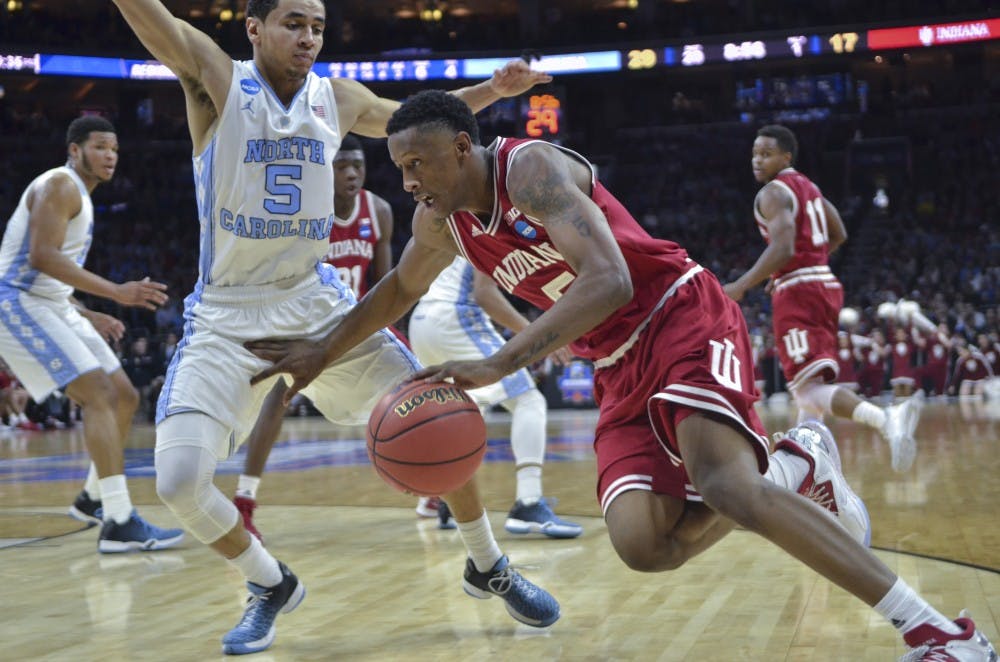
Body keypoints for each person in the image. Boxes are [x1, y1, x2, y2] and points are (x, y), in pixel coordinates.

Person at [245, 90, 995, 661]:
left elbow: (607, 278)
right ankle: (797, 463)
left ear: (464, 149)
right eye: (400, 167)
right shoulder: (440, 220)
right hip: (612, 362)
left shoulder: (530, 169)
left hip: (676, 314)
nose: (408, 181)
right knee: (645, 546)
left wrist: (502, 361)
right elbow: (399, 291)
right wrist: (321, 348)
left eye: (419, 163)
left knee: (729, 484)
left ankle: (934, 629)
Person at [110, 0, 557, 655]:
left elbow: (412, 121)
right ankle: (268, 583)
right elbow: (162, 29)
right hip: (225, 320)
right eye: (294, 23)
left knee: (441, 414)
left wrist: (492, 89)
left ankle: (488, 563)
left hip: (318, 306)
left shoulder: (336, 97)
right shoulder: (218, 81)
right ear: (254, 28)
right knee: (177, 482)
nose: (309, 38)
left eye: (318, 26)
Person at [0, 115, 184, 552]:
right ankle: (119, 522)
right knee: (98, 395)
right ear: (75, 149)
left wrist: (86, 313)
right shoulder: (60, 185)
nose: (110, 156)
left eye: (115, 149)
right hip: (16, 302)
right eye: (100, 146)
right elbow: (41, 258)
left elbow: (51, 278)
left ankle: (93, 497)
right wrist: (116, 293)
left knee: (125, 395)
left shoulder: (79, 195)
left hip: (50, 304)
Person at [723, 125, 923, 472]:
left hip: (800, 291)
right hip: (822, 283)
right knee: (810, 388)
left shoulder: (774, 192)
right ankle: (809, 464)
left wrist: (741, 285)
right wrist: (803, 263)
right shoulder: (810, 188)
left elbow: (783, 247)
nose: (757, 160)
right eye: (755, 153)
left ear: (786, 156)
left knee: (806, 391)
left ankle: (887, 418)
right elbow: (839, 233)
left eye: (766, 154)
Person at [231, 134, 398, 542]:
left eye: (357, 165)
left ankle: (435, 491)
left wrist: (391, 332)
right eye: (342, 165)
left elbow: (387, 284)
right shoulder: (306, 212)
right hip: (305, 322)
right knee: (279, 392)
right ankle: (244, 502)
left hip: (354, 324)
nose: (352, 173)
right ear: (325, 168)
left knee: (410, 392)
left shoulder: (378, 211)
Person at [408, 255, 582, 537]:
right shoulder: (486, 218)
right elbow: (485, 294)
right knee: (528, 399)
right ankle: (528, 502)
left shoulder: (451, 220)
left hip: (421, 320)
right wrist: (537, 335)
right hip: (456, 315)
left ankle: (442, 497)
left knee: (467, 408)